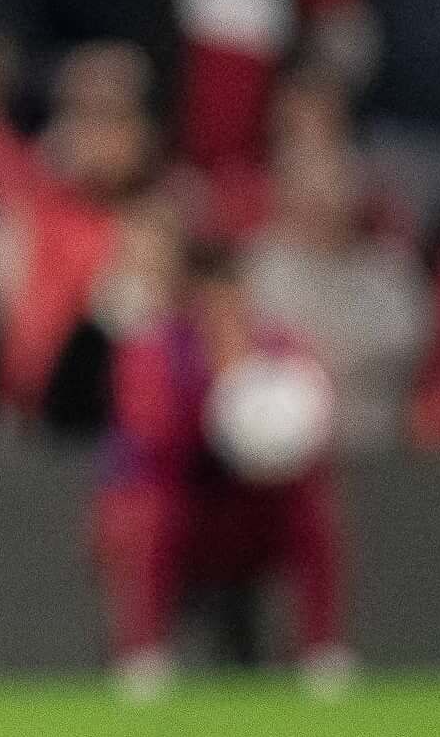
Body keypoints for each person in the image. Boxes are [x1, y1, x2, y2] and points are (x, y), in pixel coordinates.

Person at [96, 238, 352, 702]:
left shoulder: (278, 349)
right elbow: (154, 442)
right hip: (188, 508)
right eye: (212, 302)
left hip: (257, 510)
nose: (225, 313)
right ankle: (143, 657)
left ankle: (322, 654)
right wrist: (214, 401)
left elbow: (311, 424)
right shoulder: (155, 352)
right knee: (148, 513)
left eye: (234, 299)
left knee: (313, 511)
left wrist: (279, 442)